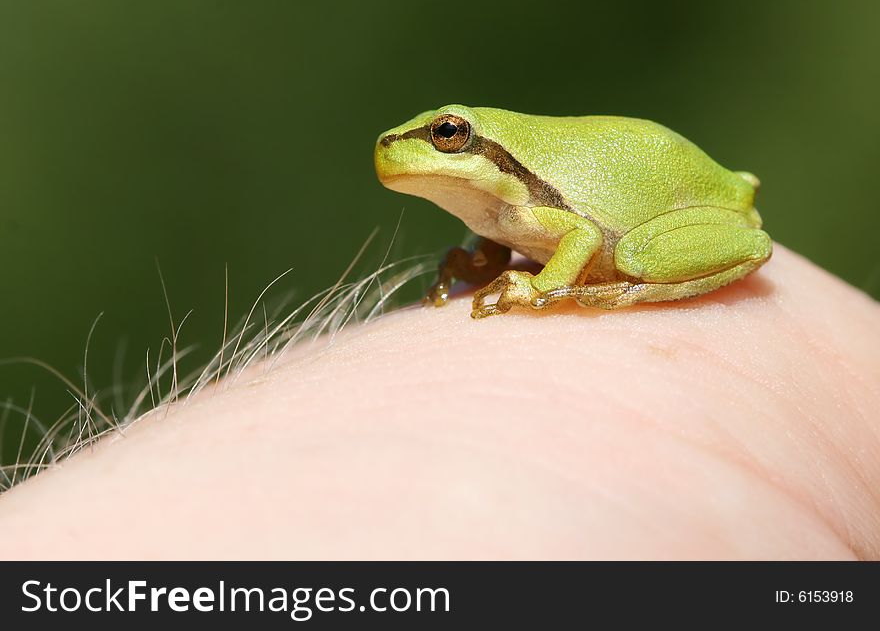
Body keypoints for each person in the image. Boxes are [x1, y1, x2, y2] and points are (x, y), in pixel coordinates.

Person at [0, 246, 878, 559]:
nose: (411, 149)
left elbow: (573, 231)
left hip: (651, 221)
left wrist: (552, 291)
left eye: (451, 135)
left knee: (617, 250)